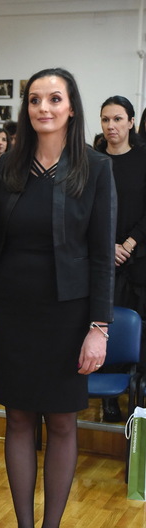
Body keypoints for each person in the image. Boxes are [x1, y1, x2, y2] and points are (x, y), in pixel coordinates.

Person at [0, 67, 116, 528]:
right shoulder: (9, 167)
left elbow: (101, 256)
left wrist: (99, 327)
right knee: (19, 418)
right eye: (35, 99)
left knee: (62, 422)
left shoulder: (94, 168)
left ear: (71, 107)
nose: (44, 107)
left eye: (54, 98)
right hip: (15, 311)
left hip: (69, 313)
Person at [99, 96, 146, 420]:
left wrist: (128, 243)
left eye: (117, 119)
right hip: (103, 257)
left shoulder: (143, 159)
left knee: (139, 323)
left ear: (131, 122)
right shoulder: (94, 161)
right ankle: (110, 398)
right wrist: (109, 245)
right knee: (108, 324)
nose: (111, 126)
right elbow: (86, 212)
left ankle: (138, 394)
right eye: (106, 119)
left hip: (138, 254)